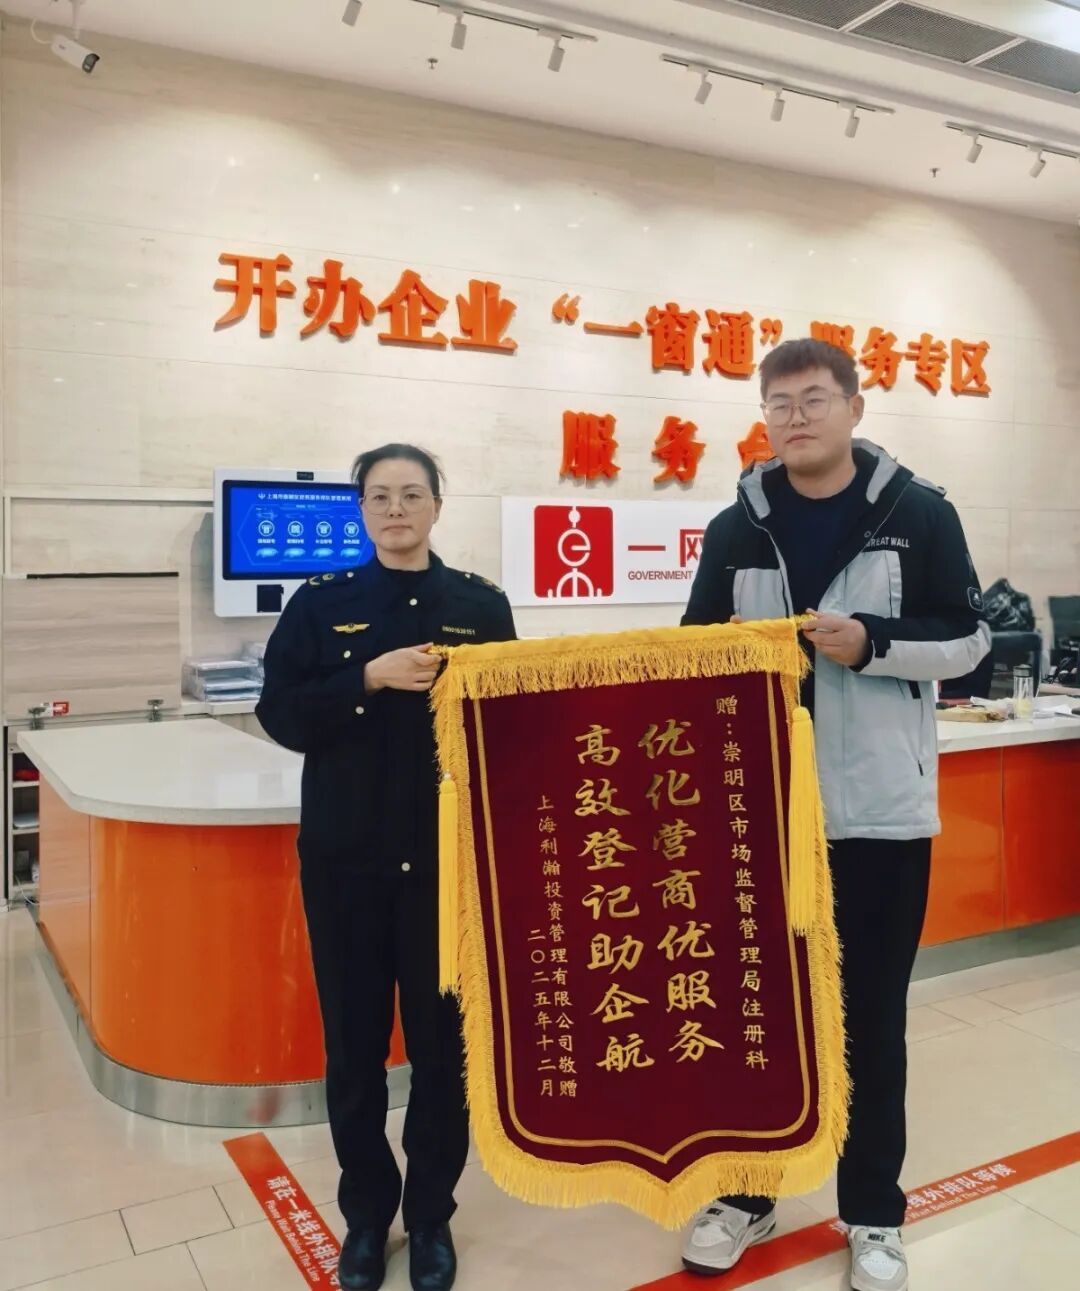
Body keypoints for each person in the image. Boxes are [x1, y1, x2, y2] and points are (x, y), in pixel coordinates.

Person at [679, 339, 990, 1291]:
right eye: (779, 404)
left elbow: (971, 642)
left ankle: (873, 1213)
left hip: (880, 819)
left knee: (869, 1024)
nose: (796, 418)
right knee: (753, 1016)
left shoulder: (919, 514)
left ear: (855, 407)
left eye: (814, 399)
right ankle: (746, 1193)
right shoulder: (737, 525)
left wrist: (873, 644)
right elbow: (692, 652)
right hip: (761, 823)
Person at [257, 444, 516, 1291]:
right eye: (379, 496)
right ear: (362, 510)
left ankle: (431, 1214)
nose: (396, 508)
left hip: (446, 868)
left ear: (438, 504)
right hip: (346, 863)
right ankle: (367, 1216)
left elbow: (511, 724)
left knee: (443, 1053)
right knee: (355, 1049)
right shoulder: (320, 604)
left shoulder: (480, 604)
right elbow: (279, 713)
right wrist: (365, 678)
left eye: (411, 494)